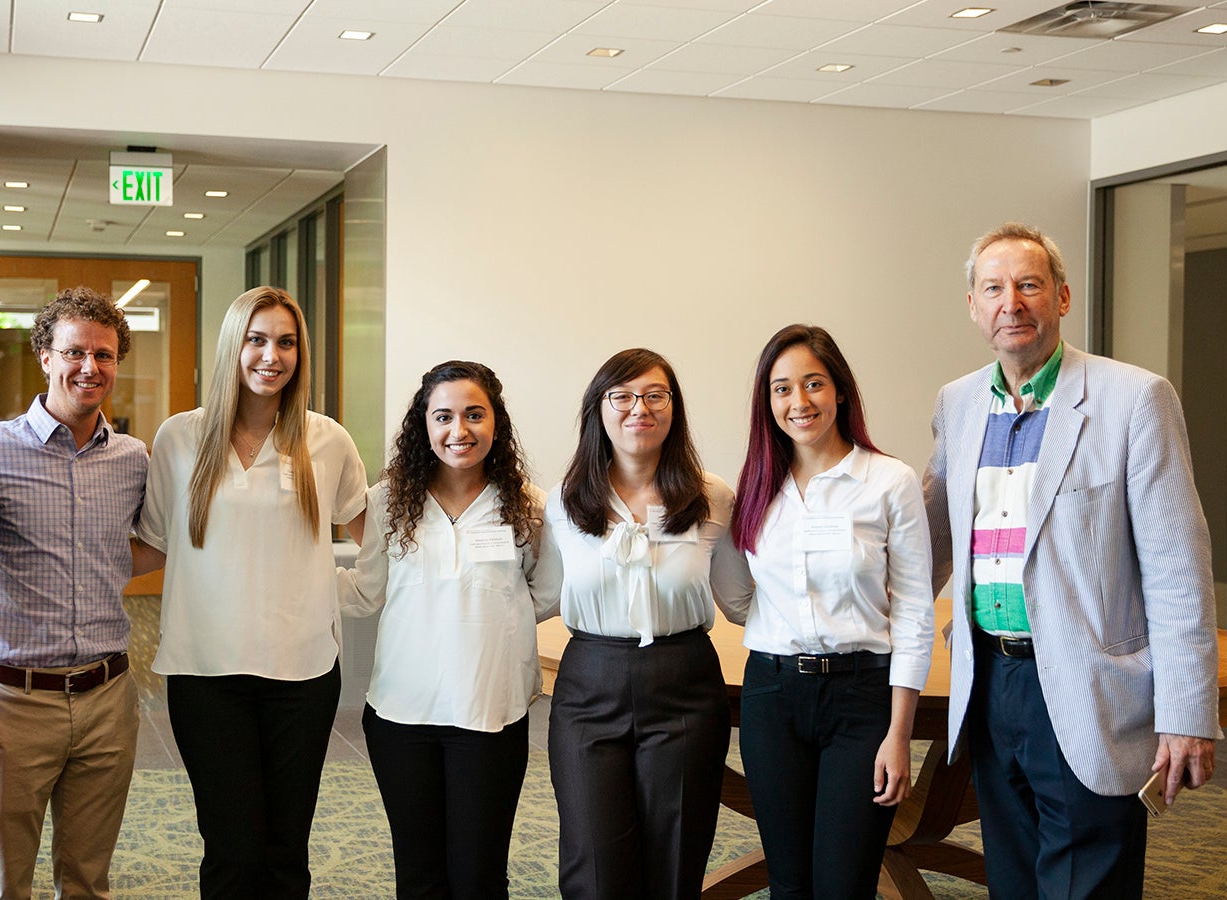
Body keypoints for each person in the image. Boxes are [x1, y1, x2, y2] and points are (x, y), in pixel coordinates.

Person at [923, 222, 1220, 898]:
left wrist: (1187, 713)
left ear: (1061, 297)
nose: (1012, 303)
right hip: (992, 686)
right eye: (994, 289)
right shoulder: (958, 403)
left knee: (1088, 884)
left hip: (1088, 687)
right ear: (973, 305)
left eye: (1028, 285)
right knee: (1014, 883)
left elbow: (1178, 567)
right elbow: (935, 540)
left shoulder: (1134, 399)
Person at [137, 286, 368, 899]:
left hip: (304, 674)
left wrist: (338, 591)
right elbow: (154, 545)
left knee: (286, 852)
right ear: (231, 347)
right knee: (232, 851)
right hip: (205, 673)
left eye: (286, 342)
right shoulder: (179, 439)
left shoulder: (328, 440)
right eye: (257, 339)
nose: (272, 355)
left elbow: (378, 540)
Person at [716, 324, 935, 899]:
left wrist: (899, 733)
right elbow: (740, 593)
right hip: (772, 695)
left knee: (844, 884)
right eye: (782, 388)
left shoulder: (889, 481)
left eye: (813, 383)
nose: (799, 402)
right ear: (768, 403)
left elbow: (913, 610)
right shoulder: (758, 486)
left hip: (862, 701)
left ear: (839, 389)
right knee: (788, 882)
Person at [0, 287, 162, 900]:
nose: (90, 368)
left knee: (88, 881)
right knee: (2, 883)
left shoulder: (132, 459)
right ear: (44, 355)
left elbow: (144, 548)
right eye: (75, 352)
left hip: (108, 698)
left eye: (104, 355)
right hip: (11, 702)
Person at [339, 360, 560, 899]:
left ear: (496, 423)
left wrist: (489, 619)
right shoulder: (389, 499)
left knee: (479, 877)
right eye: (443, 416)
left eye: (474, 415)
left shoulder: (527, 505)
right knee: (418, 875)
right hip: (401, 714)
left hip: (490, 711)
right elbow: (368, 591)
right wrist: (291, 576)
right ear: (424, 425)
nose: (458, 431)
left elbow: (546, 593)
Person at [541, 347, 736, 900]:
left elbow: (741, 599)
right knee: (594, 860)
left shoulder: (711, 495)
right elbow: (543, 594)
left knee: (675, 856)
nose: (638, 409)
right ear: (597, 410)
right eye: (622, 396)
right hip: (589, 683)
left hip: (684, 683)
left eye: (655, 396)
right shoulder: (562, 502)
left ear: (673, 409)